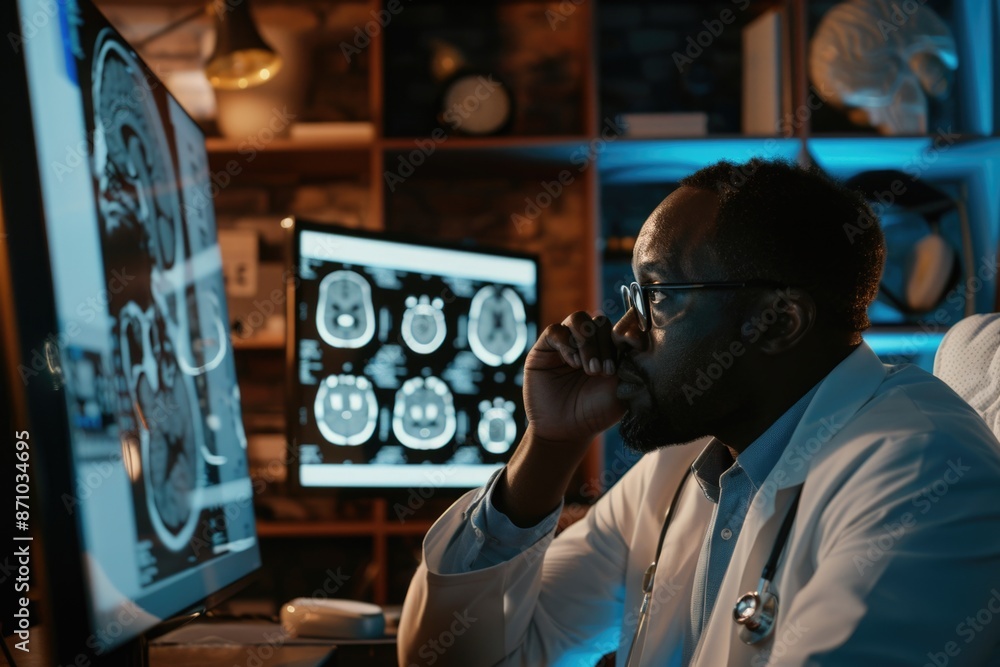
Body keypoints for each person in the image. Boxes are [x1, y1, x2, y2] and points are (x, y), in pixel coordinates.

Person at [397, 158, 1000, 666]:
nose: (625, 333)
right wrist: (551, 445)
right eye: (634, 299)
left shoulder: (923, 473)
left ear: (778, 321)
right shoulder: (683, 469)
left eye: (659, 298)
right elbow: (454, 656)